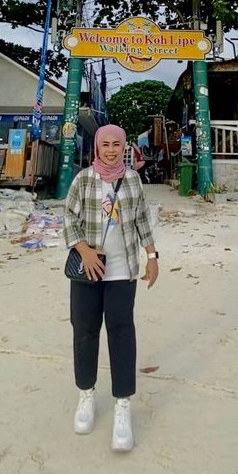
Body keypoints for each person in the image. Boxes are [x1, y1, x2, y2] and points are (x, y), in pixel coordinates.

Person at [64, 124, 159, 452]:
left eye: (116, 144)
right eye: (104, 144)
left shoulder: (132, 180)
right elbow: (68, 219)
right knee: (85, 330)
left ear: (124, 147)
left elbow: (142, 220)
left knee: (121, 332)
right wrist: (84, 250)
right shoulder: (83, 179)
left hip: (122, 270)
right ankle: (86, 395)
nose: (110, 149)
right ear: (96, 147)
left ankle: (122, 405)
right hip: (88, 270)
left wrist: (152, 256)